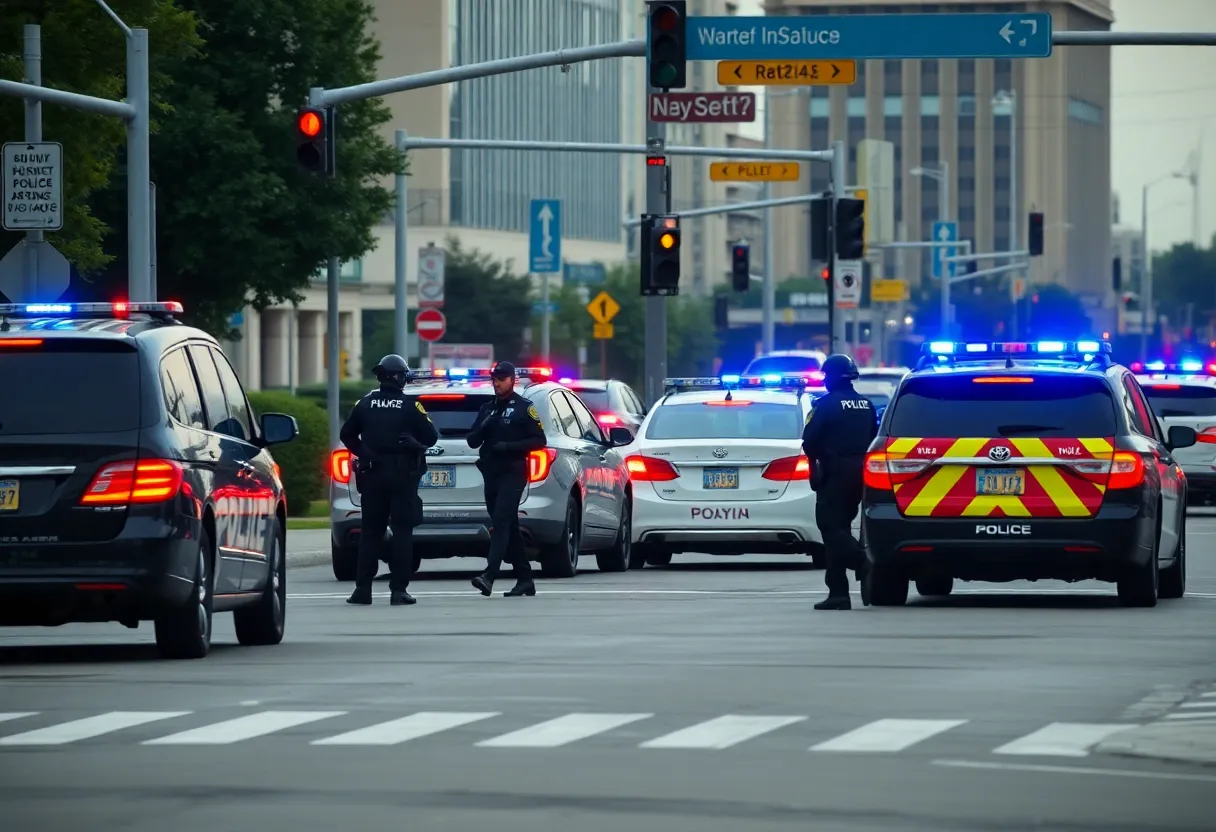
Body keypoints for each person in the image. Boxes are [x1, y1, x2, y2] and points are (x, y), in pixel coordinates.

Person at [339, 354, 438, 606]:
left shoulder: (364, 404)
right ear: (397, 377)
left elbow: (347, 435)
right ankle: (398, 590)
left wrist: (366, 455)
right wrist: (416, 445)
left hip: (372, 475)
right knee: (403, 532)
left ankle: (362, 590)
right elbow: (431, 436)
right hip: (403, 477)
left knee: (370, 533)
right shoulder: (409, 406)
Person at [802, 353, 878, 610]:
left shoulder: (825, 405)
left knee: (829, 526)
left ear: (832, 377)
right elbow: (873, 438)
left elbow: (809, 441)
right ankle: (838, 593)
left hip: (834, 472)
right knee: (840, 528)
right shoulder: (867, 405)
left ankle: (862, 562)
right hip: (860, 474)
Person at [466, 361, 546, 597]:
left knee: (500, 521)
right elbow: (472, 441)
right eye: (495, 380)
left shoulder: (524, 407)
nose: (497, 384)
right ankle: (525, 579)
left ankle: (489, 575)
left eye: (502, 379)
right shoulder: (487, 408)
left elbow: (538, 440)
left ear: (513, 380)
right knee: (508, 525)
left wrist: (508, 447)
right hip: (491, 473)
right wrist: (483, 427)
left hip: (513, 471)